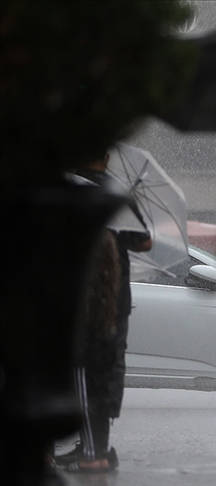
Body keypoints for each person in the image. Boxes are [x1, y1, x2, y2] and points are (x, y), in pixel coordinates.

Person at [54, 153, 152, 472]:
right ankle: (94, 448)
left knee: (77, 368)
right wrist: (117, 231)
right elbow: (145, 242)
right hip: (115, 295)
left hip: (74, 294)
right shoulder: (116, 194)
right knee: (108, 366)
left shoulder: (65, 191)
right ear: (107, 157)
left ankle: (89, 447)